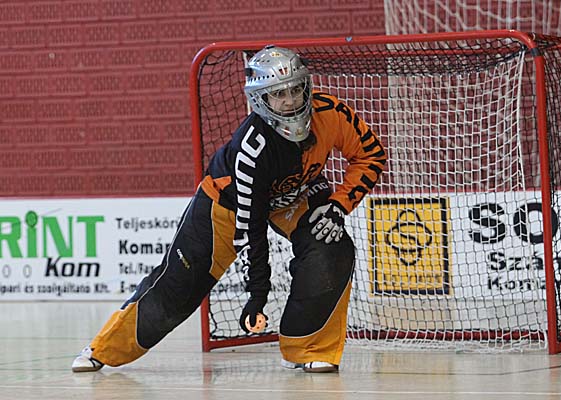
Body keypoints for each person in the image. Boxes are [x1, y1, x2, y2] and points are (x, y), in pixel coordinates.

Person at [71, 45, 386, 374]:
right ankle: (103, 349)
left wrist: (339, 204)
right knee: (179, 285)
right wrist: (257, 296)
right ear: (260, 100)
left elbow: (371, 155)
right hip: (228, 205)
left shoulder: (331, 112)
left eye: (296, 89)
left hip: (297, 193)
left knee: (331, 247)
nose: (290, 100)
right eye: (278, 94)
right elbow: (252, 229)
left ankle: (306, 348)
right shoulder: (252, 149)